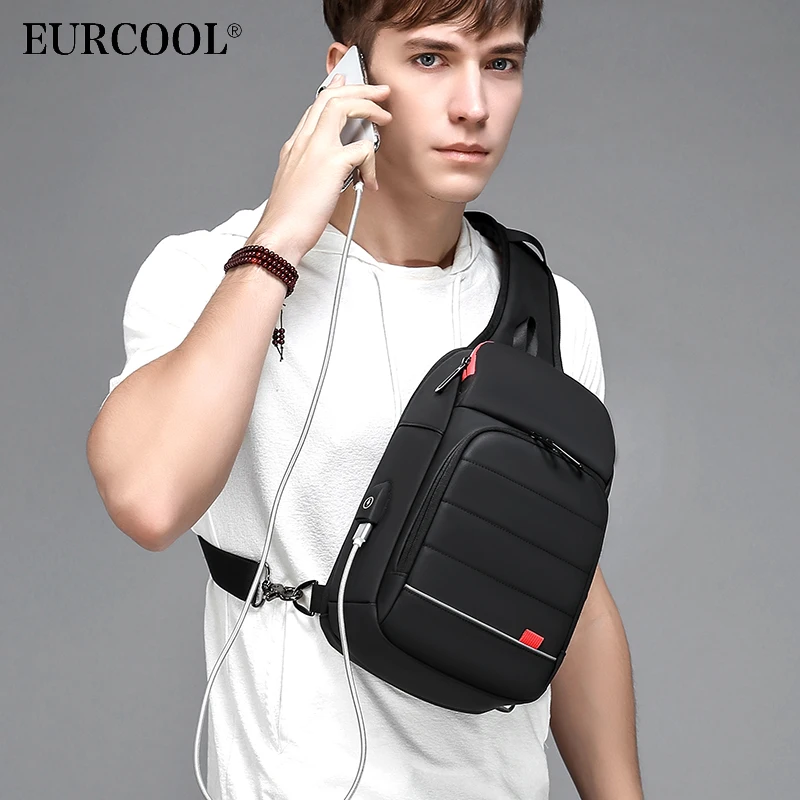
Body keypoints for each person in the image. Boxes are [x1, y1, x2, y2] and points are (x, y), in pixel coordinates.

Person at [87, 1, 643, 798]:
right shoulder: (213, 272)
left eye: (501, 63)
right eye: (430, 58)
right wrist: (280, 240)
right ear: (346, 72)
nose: (473, 105)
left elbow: (567, 591)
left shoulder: (549, 311)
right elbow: (149, 499)